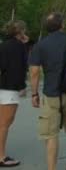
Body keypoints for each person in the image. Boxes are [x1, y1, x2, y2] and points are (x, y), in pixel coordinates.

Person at [29, 13, 66, 170]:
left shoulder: (41, 45)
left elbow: (34, 72)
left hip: (51, 93)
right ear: (62, 25)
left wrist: (34, 94)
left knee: (50, 134)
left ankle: (51, 168)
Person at [0, 21, 29, 167]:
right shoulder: (18, 47)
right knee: (5, 123)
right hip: (10, 88)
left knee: (3, 122)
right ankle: (1, 157)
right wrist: (22, 86)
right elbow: (19, 68)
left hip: (3, 85)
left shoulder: (4, 44)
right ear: (20, 31)